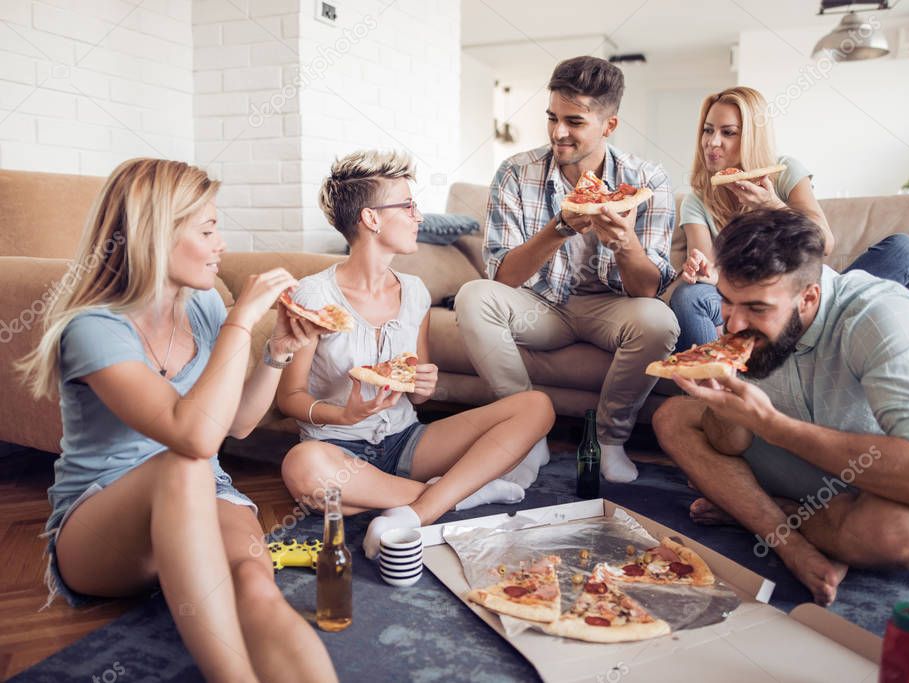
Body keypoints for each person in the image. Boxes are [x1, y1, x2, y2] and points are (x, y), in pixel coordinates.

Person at [17, 159, 337, 682]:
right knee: (186, 461)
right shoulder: (93, 328)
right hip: (103, 524)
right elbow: (192, 434)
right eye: (207, 229)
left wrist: (276, 353)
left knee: (257, 586)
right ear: (154, 235)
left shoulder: (204, 304)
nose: (222, 244)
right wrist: (241, 321)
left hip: (204, 496)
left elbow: (235, 425)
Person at [652, 208, 909, 606]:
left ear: (809, 296)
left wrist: (771, 427)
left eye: (756, 308)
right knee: (672, 417)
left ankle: (764, 513)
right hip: (820, 470)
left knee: (896, 529)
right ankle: (791, 539)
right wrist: (723, 400)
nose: (733, 324)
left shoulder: (879, 315)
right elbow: (728, 444)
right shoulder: (749, 325)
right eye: (726, 301)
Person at [276, 150, 556, 560]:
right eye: (407, 205)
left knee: (537, 407)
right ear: (371, 219)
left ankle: (415, 508)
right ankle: (462, 493)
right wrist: (345, 416)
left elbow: (418, 395)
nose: (418, 216)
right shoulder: (313, 296)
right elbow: (289, 398)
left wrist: (425, 385)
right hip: (337, 447)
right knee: (301, 466)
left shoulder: (416, 291)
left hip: (408, 441)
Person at [455, 55, 679, 484]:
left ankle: (611, 440)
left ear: (609, 125)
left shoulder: (648, 179)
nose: (559, 132)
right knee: (472, 296)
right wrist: (557, 228)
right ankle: (528, 431)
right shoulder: (516, 173)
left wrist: (625, 243)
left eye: (575, 122)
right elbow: (502, 277)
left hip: (610, 309)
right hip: (542, 307)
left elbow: (647, 291)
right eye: (552, 117)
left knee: (659, 321)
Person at [671, 86, 909, 351]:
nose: (712, 142)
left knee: (902, 249)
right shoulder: (697, 202)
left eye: (728, 132)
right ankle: (723, 381)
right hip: (756, 306)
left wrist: (773, 206)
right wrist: (706, 272)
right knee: (690, 296)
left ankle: (825, 332)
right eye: (708, 130)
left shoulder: (786, 172)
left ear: (752, 137)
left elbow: (824, 242)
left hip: (807, 299)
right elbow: (709, 273)